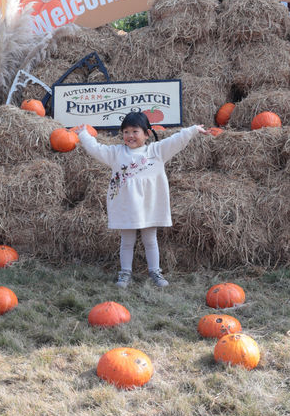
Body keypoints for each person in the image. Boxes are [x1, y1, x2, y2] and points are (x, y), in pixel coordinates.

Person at [77, 112, 208, 287]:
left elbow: (175, 141)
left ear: (146, 134)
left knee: (150, 240)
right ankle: (125, 273)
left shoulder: (156, 151)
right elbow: (97, 149)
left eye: (135, 131)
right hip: (126, 204)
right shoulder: (117, 153)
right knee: (127, 241)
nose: (130, 135)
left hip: (149, 204)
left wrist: (192, 130)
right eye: (126, 132)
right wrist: (84, 135)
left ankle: (155, 271)